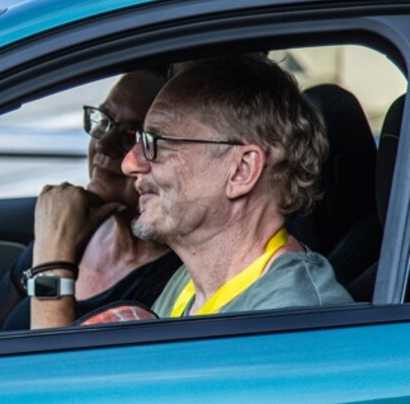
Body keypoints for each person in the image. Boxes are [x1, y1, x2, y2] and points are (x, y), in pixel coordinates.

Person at [31, 55, 353, 328]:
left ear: (241, 171)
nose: (130, 163)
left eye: (157, 143)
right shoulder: (192, 284)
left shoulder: (293, 322)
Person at [0, 70, 182, 332]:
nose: (103, 144)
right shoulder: (73, 227)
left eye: (131, 134)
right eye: (102, 121)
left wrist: (53, 263)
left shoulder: (170, 280)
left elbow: (56, 369)